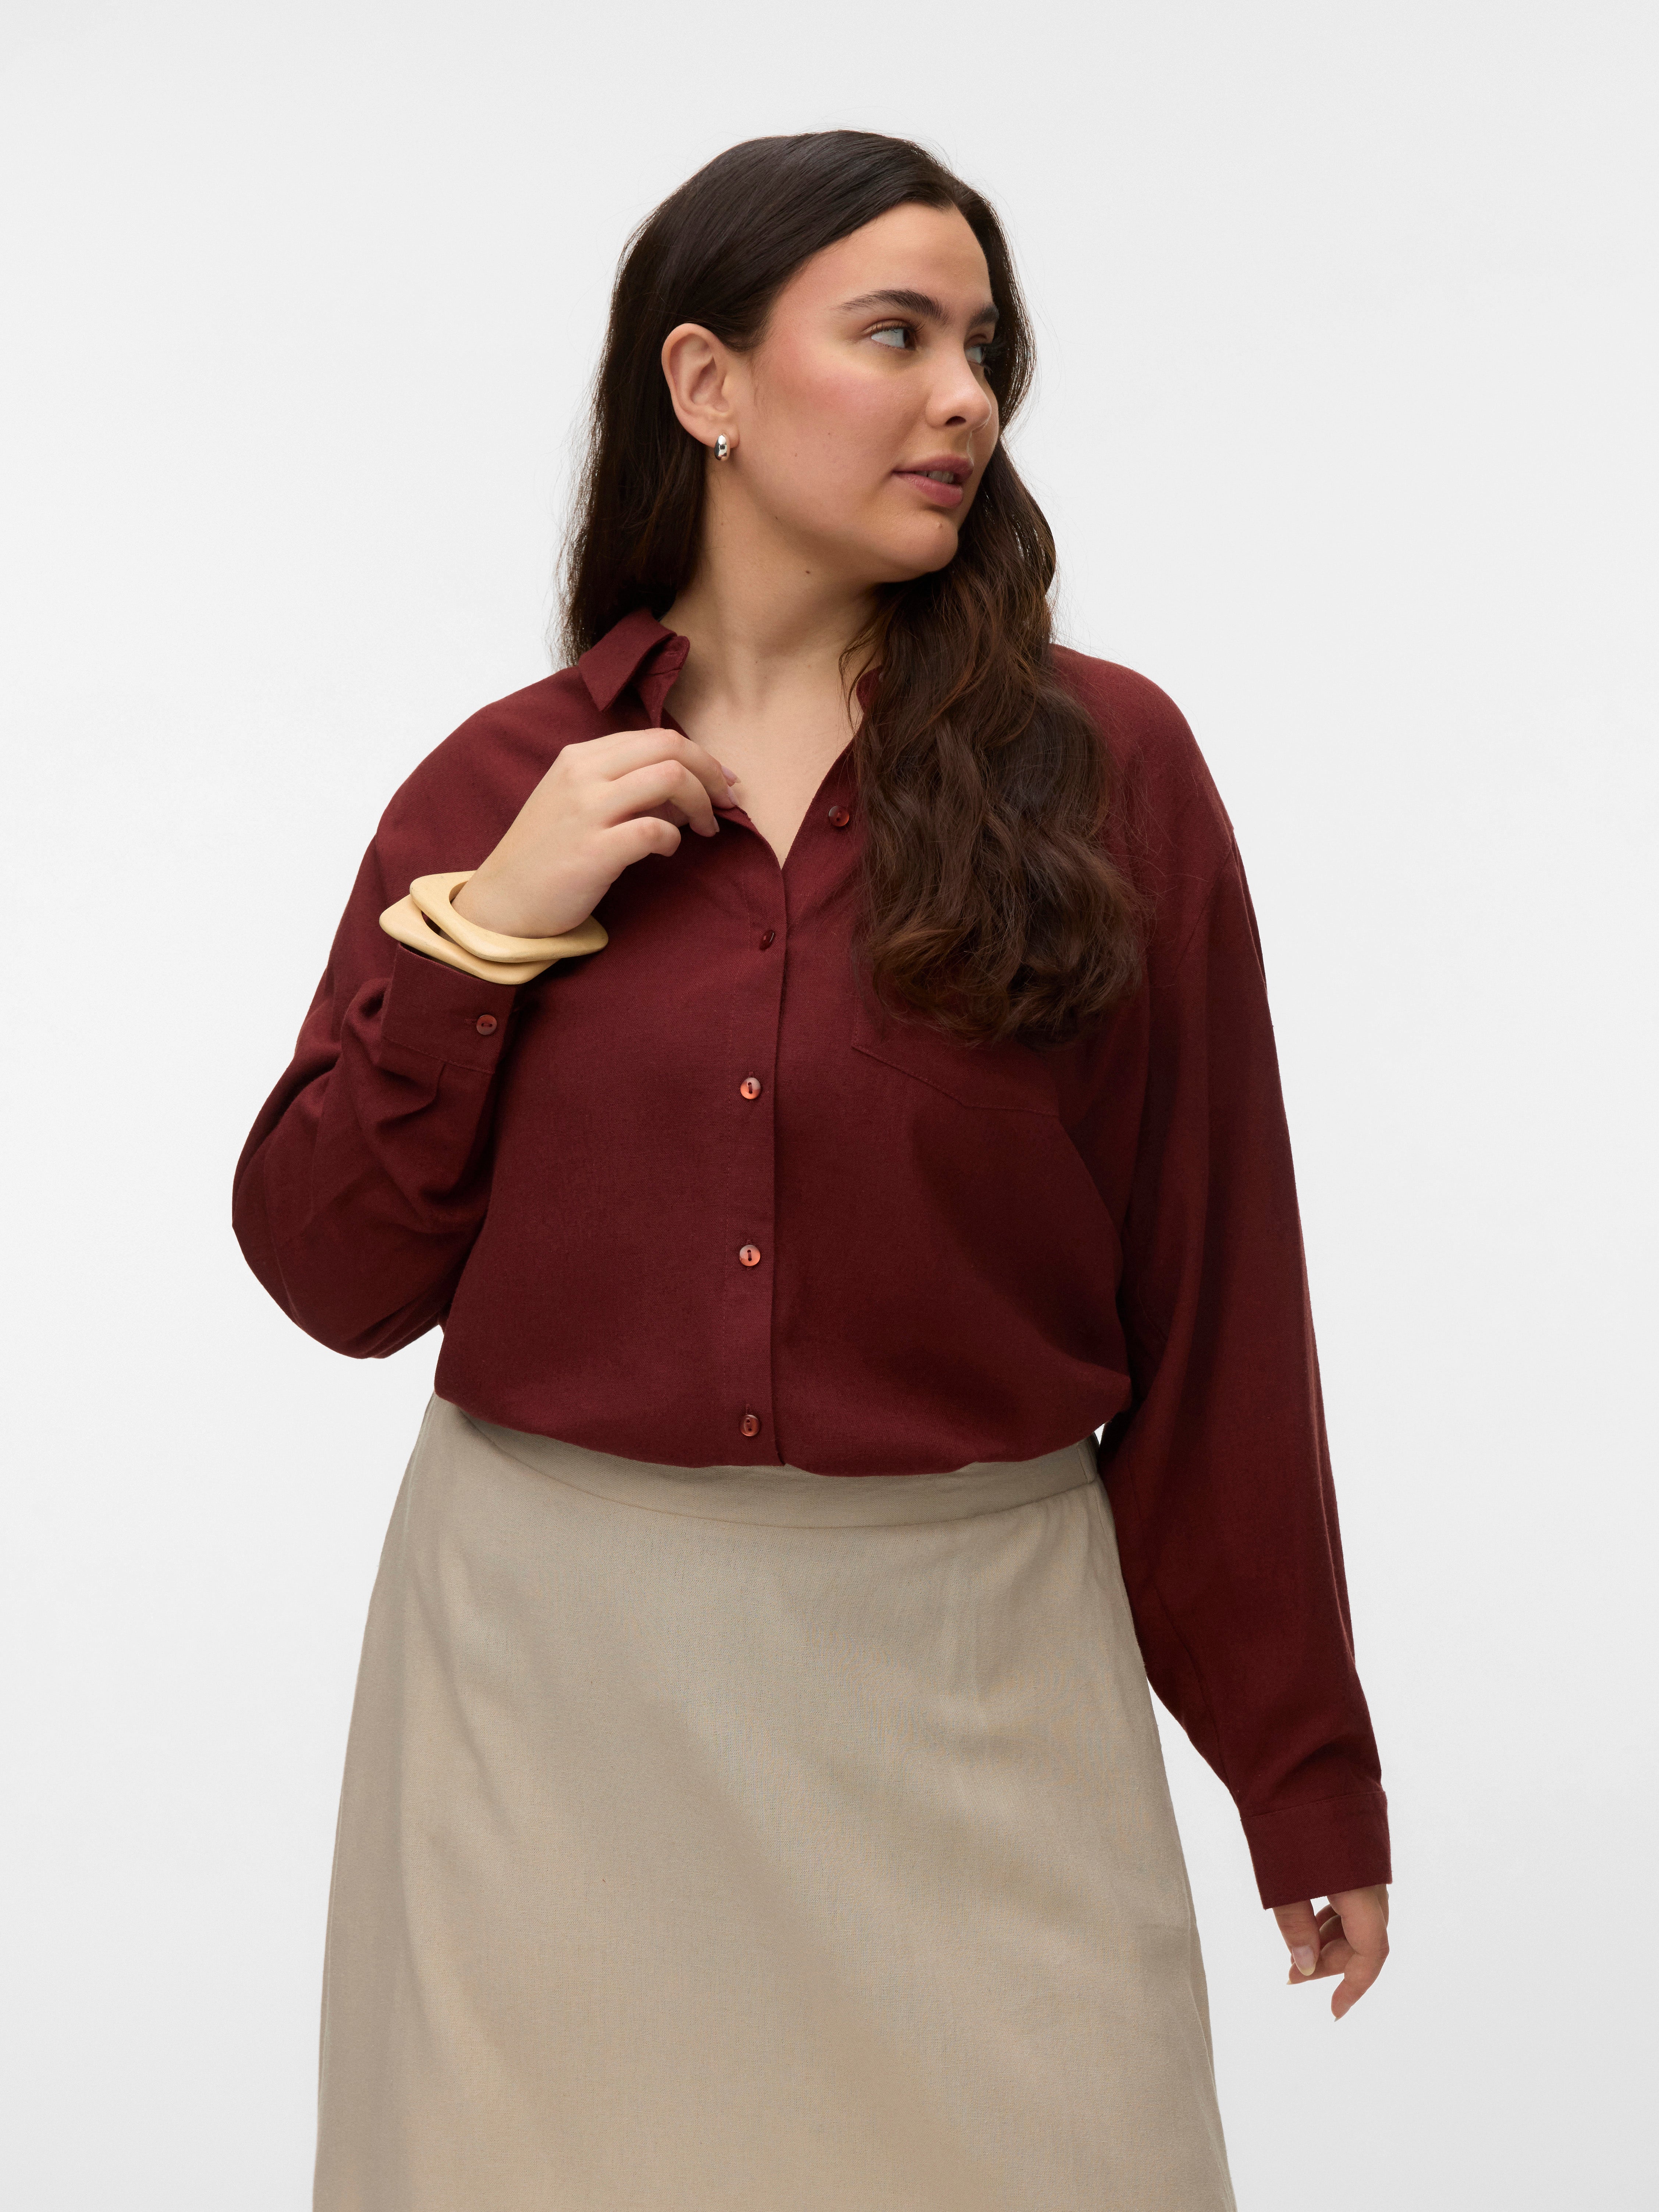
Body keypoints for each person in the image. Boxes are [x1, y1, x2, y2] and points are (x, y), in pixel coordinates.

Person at [234, 129, 1391, 2212]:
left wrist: (1300, 1771)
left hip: (979, 1683)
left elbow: (1219, 1293)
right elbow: (332, 1273)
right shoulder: (499, 789)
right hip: (551, 1704)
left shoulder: (1106, 771)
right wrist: (488, 936)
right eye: (896, 336)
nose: (968, 398)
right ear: (707, 383)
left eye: (984, 350)